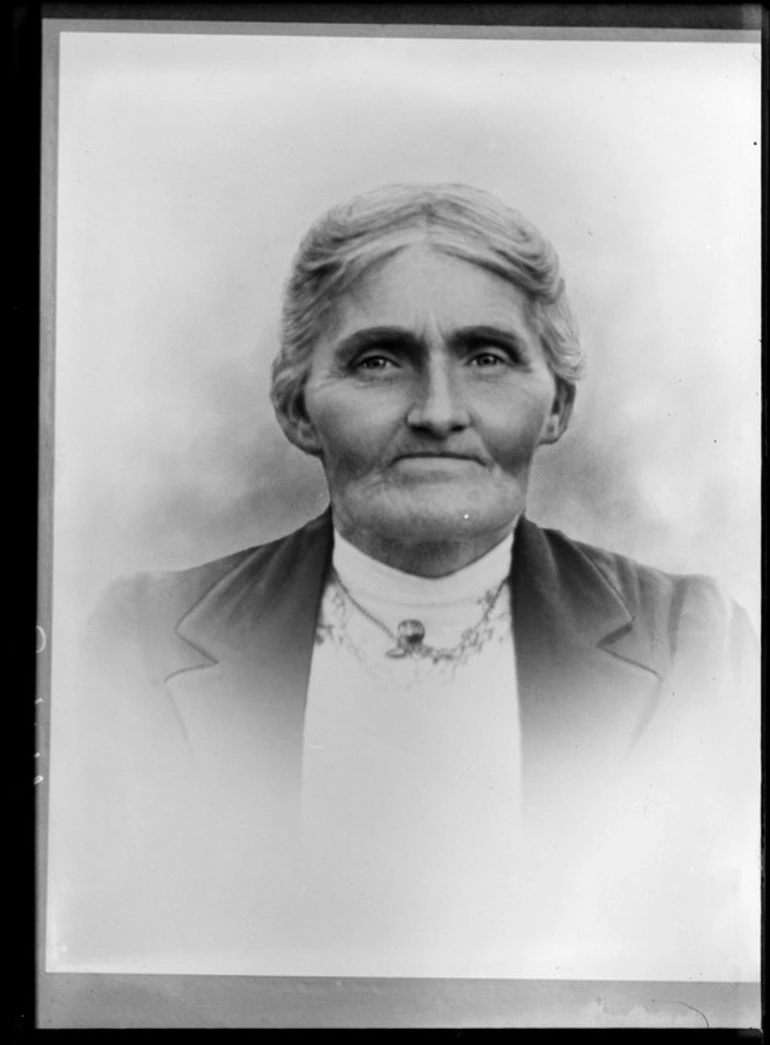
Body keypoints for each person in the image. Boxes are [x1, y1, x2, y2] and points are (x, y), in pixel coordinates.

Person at [51, 183, 758, 978]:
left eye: (488, 356)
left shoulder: (696, 643)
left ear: (556, 402)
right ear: (295, 406)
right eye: (379, 360)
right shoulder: (143, 639)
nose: (438, 410)